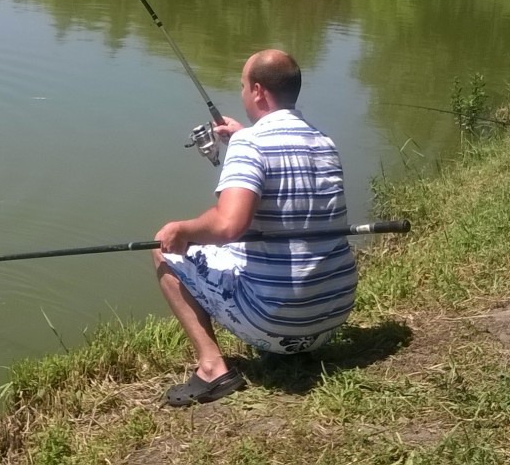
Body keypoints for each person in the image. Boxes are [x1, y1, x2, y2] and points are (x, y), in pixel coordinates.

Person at [153, 49, 357, 406]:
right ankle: (288, 343)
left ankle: (213, 368)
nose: (243, 94)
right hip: (329, 320)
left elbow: (229, 224)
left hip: (279, 327)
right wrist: (244, 136)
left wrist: (181, 230)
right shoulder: (324, 141)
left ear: (259, 92)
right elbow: (282, 168)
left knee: (163, 248)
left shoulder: (251, 144)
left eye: (244, 86)